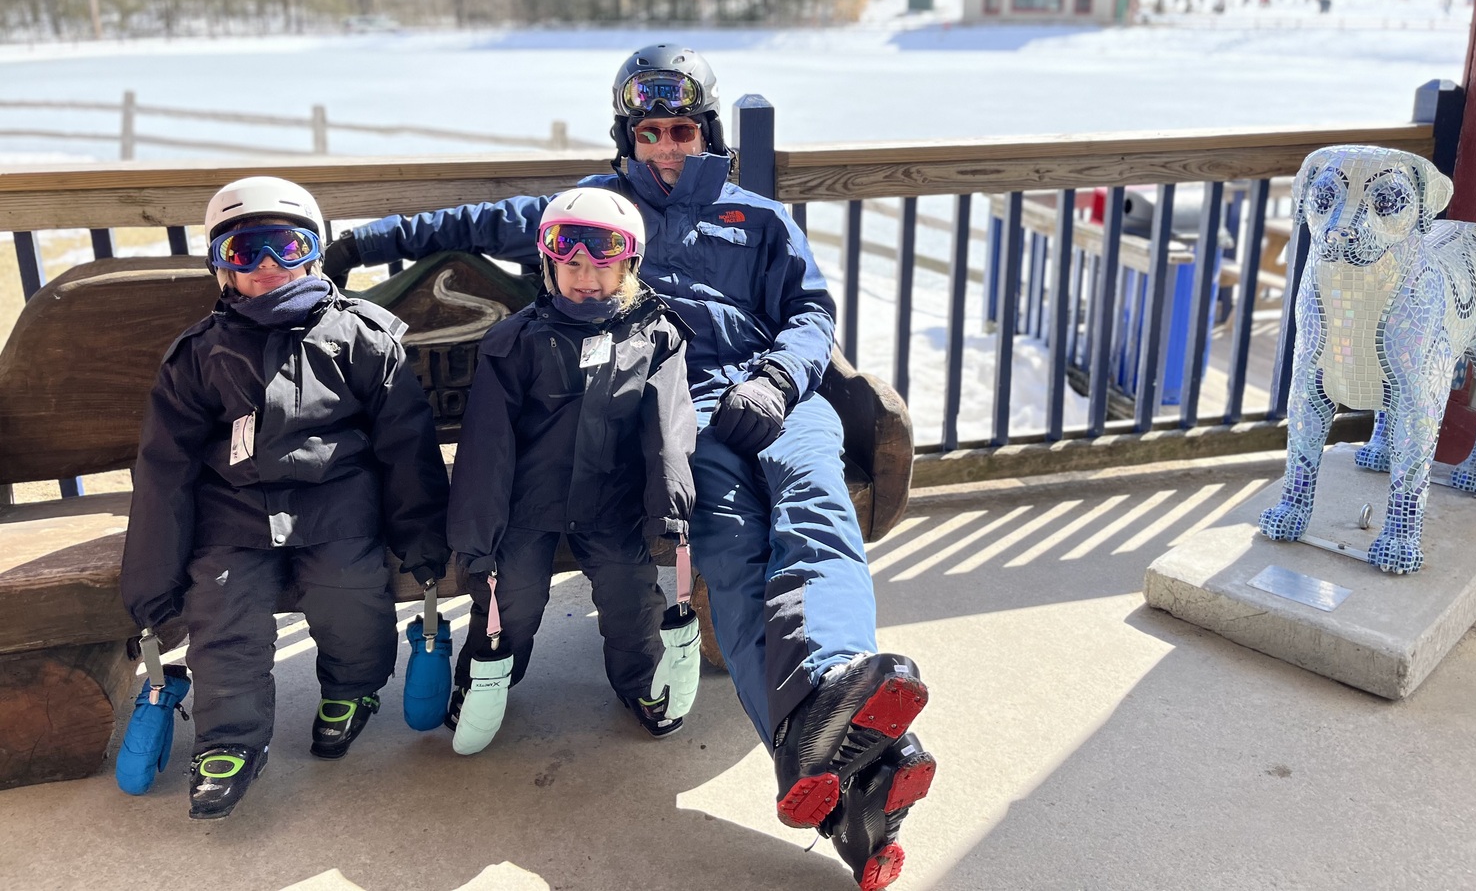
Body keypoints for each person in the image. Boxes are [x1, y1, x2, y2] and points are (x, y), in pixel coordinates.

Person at [324, 45, 936, 889]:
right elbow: (473, 222)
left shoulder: (756, 216)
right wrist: (365, 241)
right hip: (685, 409)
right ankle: (849, 790)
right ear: (628, 136)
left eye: (682, 130)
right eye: (648, 133)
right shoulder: (595, 211)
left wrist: (777, 378)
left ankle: (830, 681)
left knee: (814, 512)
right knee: (736, 561)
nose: (666, 149)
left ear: (707, 130)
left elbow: (810, 311)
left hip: (773, 398)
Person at [120, 176, 450, 820]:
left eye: (288, 246)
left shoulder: (360, 336)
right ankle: (228, 741)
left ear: (315, 252)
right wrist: (150, 585)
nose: (269, 267)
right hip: (233, 516)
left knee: (350, 593)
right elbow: (165, 468)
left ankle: (352, 691)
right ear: (221, 266)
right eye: (246, 253)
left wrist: (422, 539)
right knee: (222, 609)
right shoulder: (199, 355)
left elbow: (404, 444)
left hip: (338, 505)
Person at [444, 186, 698, 751]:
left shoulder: (655, 337)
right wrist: (477, 540)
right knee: (512, 596)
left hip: (612, 501)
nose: (586, 277)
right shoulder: (517, 342)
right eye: (571, 263)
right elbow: (487, 447)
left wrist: (670, 511)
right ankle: (487, 675)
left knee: (631, 592)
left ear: (629, 266)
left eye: (602, 266)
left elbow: (668, 427)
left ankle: (639, 680)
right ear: (548, 265)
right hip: (528, 505)